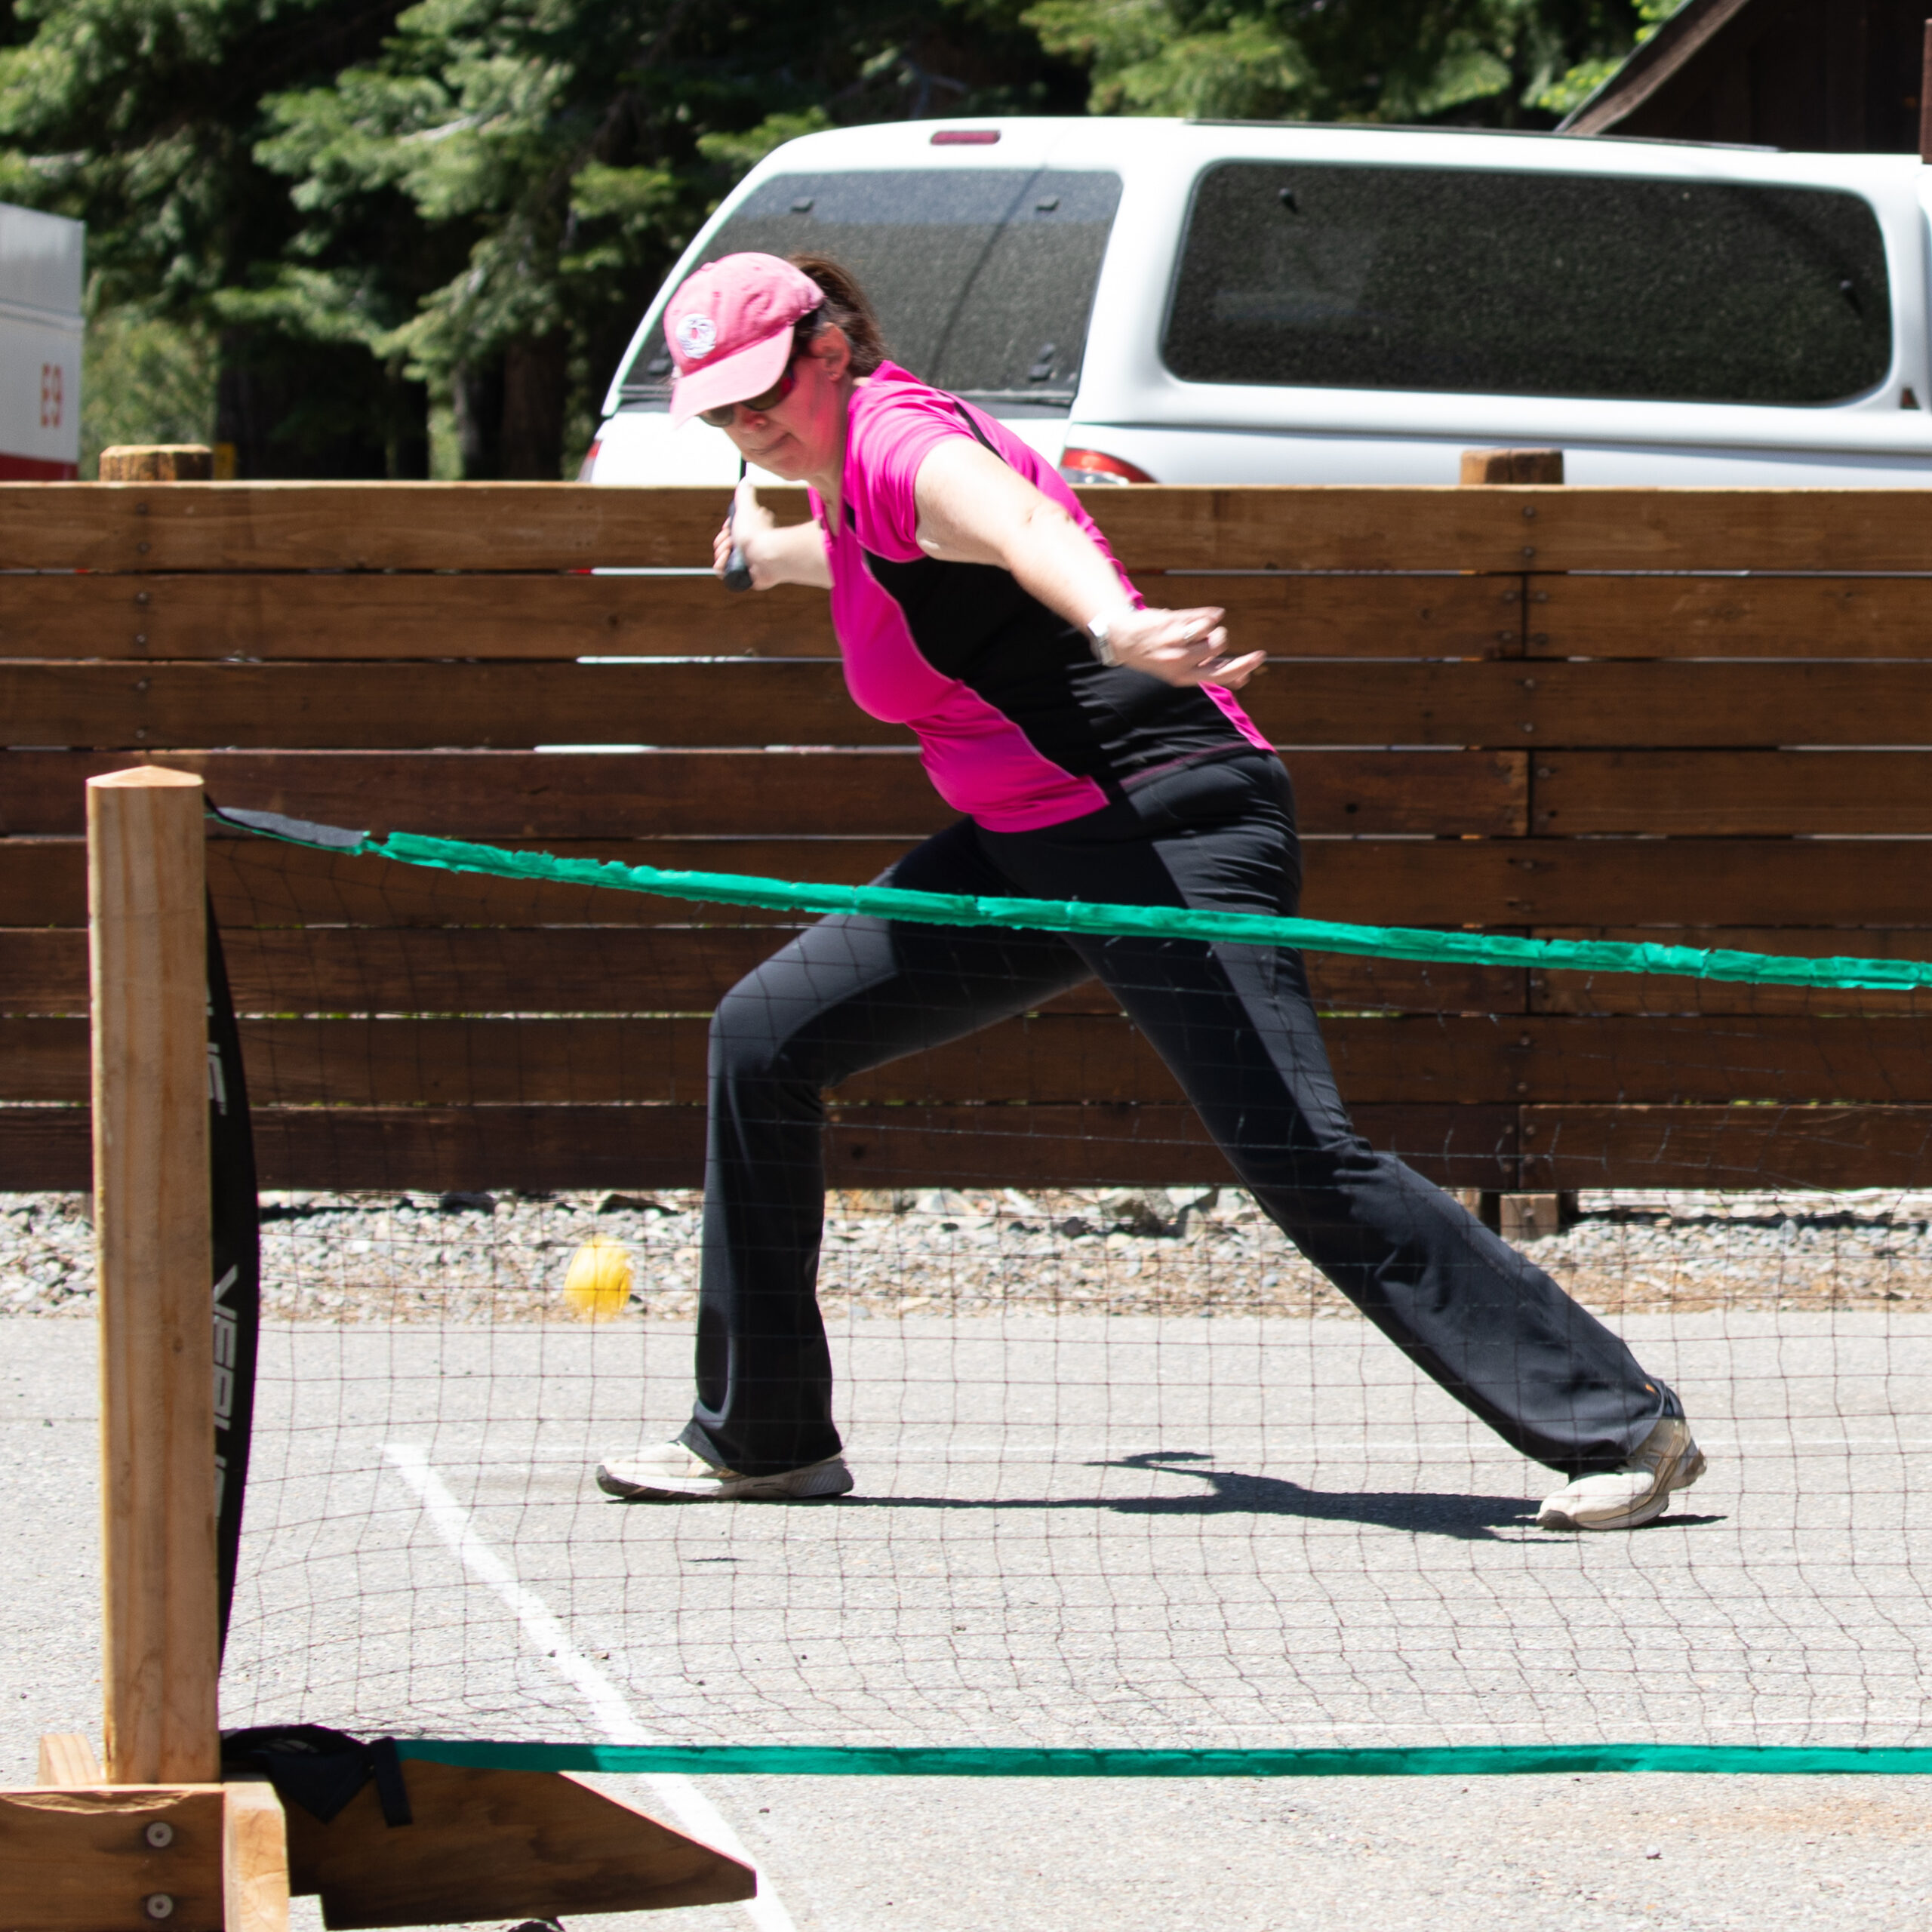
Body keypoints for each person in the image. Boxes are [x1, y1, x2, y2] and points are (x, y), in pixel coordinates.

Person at [595, 250, 1706, 1533]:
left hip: (1164, 827)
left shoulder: (897, 446)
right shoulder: (845, 474)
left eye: (760, 398)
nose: (746, 427)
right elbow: (890, 563)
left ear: (829, 354)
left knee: (1296, 1150)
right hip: (1027, 847)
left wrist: (1116, 623)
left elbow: (1014, 527)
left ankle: (1623, 1424)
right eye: (722, 412)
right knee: (765, 1038)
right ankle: (765, 1437)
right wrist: (768, 558)